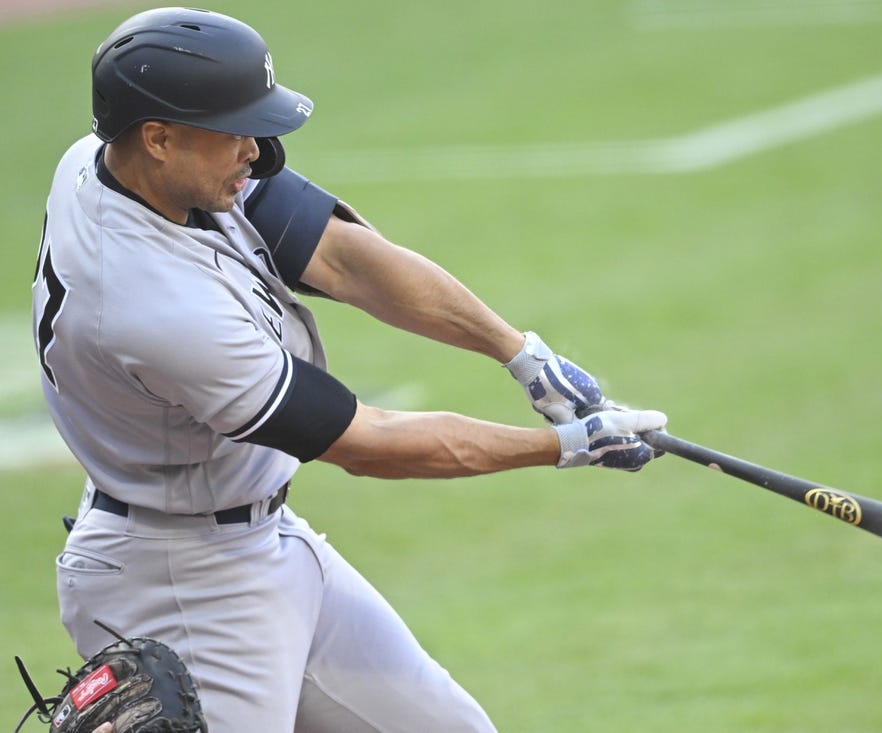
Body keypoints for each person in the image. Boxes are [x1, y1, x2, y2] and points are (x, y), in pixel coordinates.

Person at [31, 7, 666, 733]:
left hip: (258, 538)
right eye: (233, 129)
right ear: (160, 136)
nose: (256, 149)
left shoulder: (107, 161)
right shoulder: (157, 309)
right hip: (183, 588)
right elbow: (367, 442)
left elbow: (339, 255)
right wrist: (566, 446)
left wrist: (522, 353)